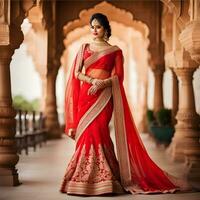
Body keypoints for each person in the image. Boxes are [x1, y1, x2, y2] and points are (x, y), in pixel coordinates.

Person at [60, 13, 191, 196]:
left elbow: (119, 77)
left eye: (98, 26)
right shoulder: (84, 48)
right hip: (86, 96)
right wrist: (92, 81)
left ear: (105, 29)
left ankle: (106, 179)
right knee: (87, 134)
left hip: (105, 96)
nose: (94, 30)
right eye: (92, 26)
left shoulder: (115, 51)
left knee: (100, 131)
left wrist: (103, 83)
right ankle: (81, 178)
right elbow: (76, 73)